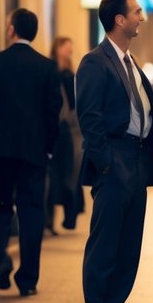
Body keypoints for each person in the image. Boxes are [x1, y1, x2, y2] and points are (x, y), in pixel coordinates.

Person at [76, 0, 153, 303]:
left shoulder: (130, 61)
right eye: (136, 11)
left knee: (129, 245)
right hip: (114, 159)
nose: (141, 16)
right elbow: (90, 118)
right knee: (105, 245)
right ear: (119, 19)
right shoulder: (95, 62)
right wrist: (105, 164)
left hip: (136, 159)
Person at [0, 8, 62, 296]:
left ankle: (1, 257)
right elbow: (53, 111)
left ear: (11, 30)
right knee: (32, 212)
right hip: (35, 151)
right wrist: (49, 148)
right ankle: (28, 280)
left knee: (2, 206)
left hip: (0, 149)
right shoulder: (47, 67)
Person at [48, 36, 85, 232]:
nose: (70, 50)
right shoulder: (53, 70)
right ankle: (52, 220)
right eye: (66, 47)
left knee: (70, 173)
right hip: (59, 128)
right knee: (56, 174)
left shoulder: (71, 72)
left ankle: (69, 216)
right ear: (58, 48)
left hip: (71, 130)